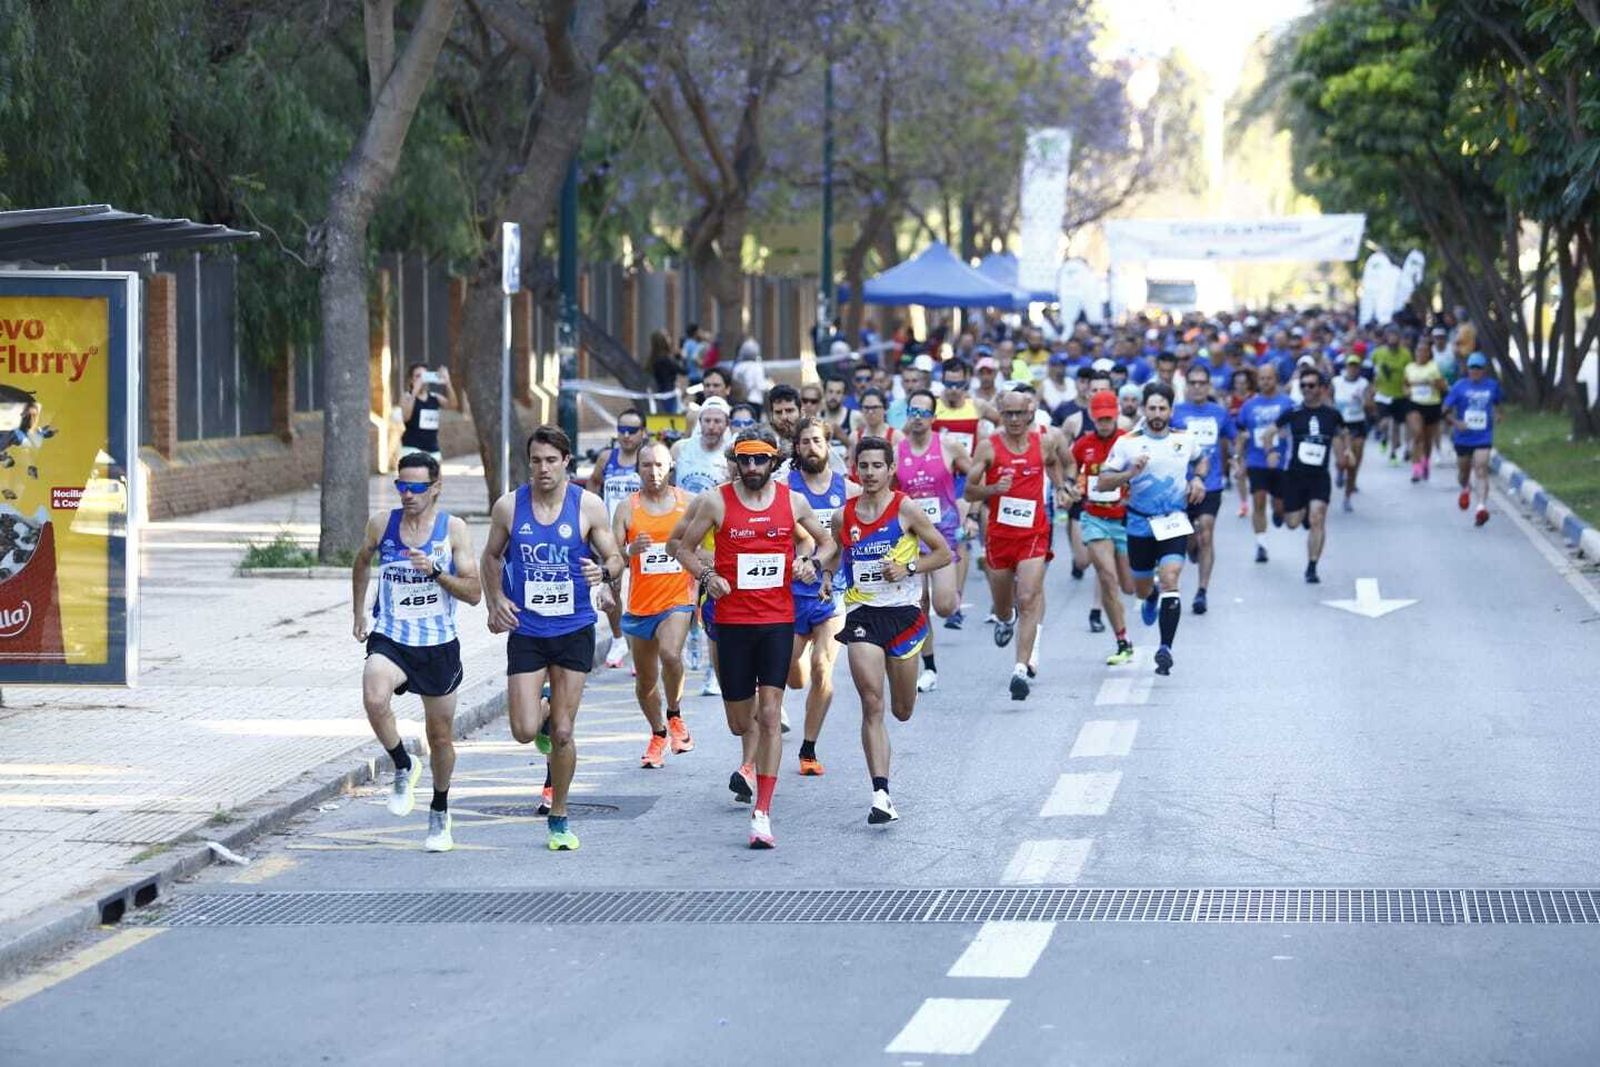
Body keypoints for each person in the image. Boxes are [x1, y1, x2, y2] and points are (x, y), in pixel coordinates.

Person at [672, 426, 834, 849]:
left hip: (778, 621)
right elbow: (683, 548)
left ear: (774, 462)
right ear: (736, 461)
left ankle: (762, 812)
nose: (751, 467)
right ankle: (754, 759)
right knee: (739, 722)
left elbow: (826, 542)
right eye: (744, 459)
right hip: (732, 623)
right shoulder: (715, 501)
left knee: (770, 712)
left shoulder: (792, 502)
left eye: (760, 459)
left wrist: (811, 565)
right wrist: (708, 575)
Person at [481, 426, 624, 852]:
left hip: (574, 627)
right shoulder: (509, 507)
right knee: (525, 730)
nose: (542, 469)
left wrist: (605, 573)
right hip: (527, 628)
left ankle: (559, 815)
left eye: (550, 460)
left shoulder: (588, 506)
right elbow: (490, 556)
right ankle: (540, 711)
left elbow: (615, 556)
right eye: (536, 461)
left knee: (563, 732)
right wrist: (496, 601)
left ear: (566, 463)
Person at [351, 453, 481, 852]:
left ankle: (440, 809)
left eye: (417, 487)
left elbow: (474, 593)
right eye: (401, 486)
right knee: (374, 695)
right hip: (392, 636)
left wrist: (435, 573)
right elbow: (361, 561)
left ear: (436, 487)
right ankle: (403, 764)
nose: (408, 494)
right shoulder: (382, 524)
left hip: (438, 644)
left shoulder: (452, 530)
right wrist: (359, 613)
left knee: (439, 736)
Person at [833, 437, 952, 823]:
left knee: (901, 710)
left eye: (876, 466)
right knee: (872, 702)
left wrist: (910, 568)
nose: (869, 473)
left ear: (890, 470)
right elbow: (836, 555)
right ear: (856, 468)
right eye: (863, 466)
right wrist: (820, 574)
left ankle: (883, 785)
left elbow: (943, 552)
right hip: (862, 615)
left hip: (902, 615)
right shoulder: (844, 515)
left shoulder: (905, 509)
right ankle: (881, 793)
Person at [964, 388, 1076, 700]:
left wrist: (1064, 487)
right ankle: (1004, 618)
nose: (1014, 419)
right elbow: (969, 492)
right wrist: (991, 489)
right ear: (1001, 414)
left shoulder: (1045, 441)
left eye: (1019, 413)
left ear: (1030, 413)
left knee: (1028, 598)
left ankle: (1020, 668)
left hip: (1034, 533)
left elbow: (1064, 463)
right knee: (1005, 605)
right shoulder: (989, 447)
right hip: (1000, 537)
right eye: (1008, 413)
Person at [1096, 383, 1206, 676]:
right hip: (1139, 522)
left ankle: (1165, 648)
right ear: (1144, 409)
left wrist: (1197, 479)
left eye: (1163, 408)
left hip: (1173, 521)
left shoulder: (1185, 439)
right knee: (1141, 588)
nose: (1157, 414)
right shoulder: (1127, 442)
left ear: (1171, 410)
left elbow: (1201, 459)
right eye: (1152, 408)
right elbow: (1102, 482)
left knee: (1172, 578)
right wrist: (1130, 473)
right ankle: (1152, 595)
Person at [612, 440, 696, 769]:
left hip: (677, 598)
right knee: (645, 682)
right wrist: (629, 551)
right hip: (640, 604)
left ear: (670, 467)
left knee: (671, 653)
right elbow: (611, 552)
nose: (654, 471)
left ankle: (674, 714)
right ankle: (658, 733)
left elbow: (703, 543)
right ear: (638, 469)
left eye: (660, 465)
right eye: (647, 465)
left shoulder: (687, 502)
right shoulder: (627, 507)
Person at [786, 417, 857, 776]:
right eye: (804, 442)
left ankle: (808, 749)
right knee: (793, 676)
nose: (811, 447)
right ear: (796, 449)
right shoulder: (786, 488)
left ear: (828, 444)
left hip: (832, 590)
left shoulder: (849, 489)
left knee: (822, 668)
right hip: (789, 593)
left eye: (817, 440)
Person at [894, 388, 971, 692]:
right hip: (911, 537)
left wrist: (969, 506)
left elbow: (976, 475)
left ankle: (954, 592)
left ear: (934, 417)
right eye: (912, 411)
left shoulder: (949, 446)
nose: (917, 417)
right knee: (919, 604)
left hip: (944, 535)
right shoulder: (896, 448)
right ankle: (929, 667)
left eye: (924, 413)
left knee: (944, 605)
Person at [1268, 370, 1350, 584]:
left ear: (1322, 389)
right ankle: (1298, 511)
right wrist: (1272, 452)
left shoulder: (1332, 415)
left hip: (1319, 477)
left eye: (1311, 385)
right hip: (1294, 476)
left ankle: (1312, 566)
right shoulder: (1293, 413)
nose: (1306, 389)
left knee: (1318, 518)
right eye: (1303, 385)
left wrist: (1346, 453)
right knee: (1292, 523)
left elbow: (1343, 434)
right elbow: (1268, 433)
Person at [1072, 392, 1136, 664]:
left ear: (1116, 413)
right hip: (1095, 518)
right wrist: (1070, 487)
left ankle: (1150, 588)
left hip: (1126, 520)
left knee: (1131, 587)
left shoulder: (1129, 441)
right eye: (1100, 418)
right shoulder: (1082, 445)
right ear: (1093, 416)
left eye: (1109, 417)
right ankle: (1122, 641)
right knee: (1107, 578)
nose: (1105, 423)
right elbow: (1068, 470)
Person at [672, 397, 731, 683]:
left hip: (714, 530)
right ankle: (692, 634)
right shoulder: (682, 449)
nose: (711, 426)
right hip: (685, 525)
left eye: (717, 420)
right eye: (706, 420)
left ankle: (712, 664)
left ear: (726, 424)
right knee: (685, 590)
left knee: (709, 588)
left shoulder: (730, 454)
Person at [1171, 366, 1235, 615]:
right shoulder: (1175, 413)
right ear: (1186, 386)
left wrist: (1237, 458)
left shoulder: (1220, 413)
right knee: (1188, 537)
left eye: (1202, 383)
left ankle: (1201, 592)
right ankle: (1192, 546)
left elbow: (1230, 439)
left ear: (1209, 386)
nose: (1197, 387)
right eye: (1193, 383)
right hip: (1180, 485)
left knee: (1206, 533)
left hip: (1211, 483)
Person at [588, 409, 646, 668]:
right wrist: (592, 514)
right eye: (621, 429)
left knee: (641, 591)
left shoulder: (646, 459)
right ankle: (618, 637)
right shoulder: (607, 458)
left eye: (632, 430)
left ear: (642, 433)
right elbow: (593, 483)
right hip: (611, 536)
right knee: (611, 588)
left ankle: (640, 647)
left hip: (641, 534)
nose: (625, 435)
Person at [932, 360, 981, 628]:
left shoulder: (977, 408)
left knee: (960, 537)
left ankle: (956, 600)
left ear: (966, 382)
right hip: (936, 483)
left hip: (963, 482)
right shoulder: (932, 408)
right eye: (948, 384)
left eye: (958, 384)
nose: (953, 390)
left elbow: (996, 428)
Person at [1237, 364, 1294, 563]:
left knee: (1279, 505)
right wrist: (1240, 460)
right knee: (1258, 501)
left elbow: (1296, 426)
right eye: (1262, 378)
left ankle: (1279, 511)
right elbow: (1242, 432)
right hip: (1256, 459)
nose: (1265, 382)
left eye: (1269, 378)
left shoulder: (1287, 403)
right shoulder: (1249, 405)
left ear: (1276, 379)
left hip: (1280, 461)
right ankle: (1261, 544)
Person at [1443, 353, 1501, 525]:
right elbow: (1445, 409)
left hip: (1483, 435)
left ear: (1484, 370)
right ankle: (1465, 488)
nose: (1475, 371)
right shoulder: (1459, 387)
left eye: (1478, 368)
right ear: (1467, 369)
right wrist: (1456, 422)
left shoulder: (1492, 386)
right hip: (1463, 437)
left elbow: (1498, 405)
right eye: (1472, 368)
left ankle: (1481, 508)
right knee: (1463, 473)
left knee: (1481, 468)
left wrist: (1498, 415)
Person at [1331, 354, 1373, 511]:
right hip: (1339, 425)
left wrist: (1364, 399)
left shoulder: (1363, 384)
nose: (1353, 369)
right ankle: (1339, 470)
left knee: (1353, 464)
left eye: (1356, 366)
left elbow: (1370, 406)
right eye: (1350, 365)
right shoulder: (1336, 382)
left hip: (1357, 425)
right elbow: (1328, 399)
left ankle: (1347, 497)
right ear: (1346, 367)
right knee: (1342, 461)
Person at [1404, 336, 1447, 483]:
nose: (1421, 354)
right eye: (1418, 351)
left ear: (1429, 353)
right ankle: (1416, 469)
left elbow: (1443, 387)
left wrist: (1433, 383)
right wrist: (1407, 391)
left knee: (1427, 440)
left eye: (1424, 351)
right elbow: (1405, 385)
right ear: (1415, 353)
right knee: (1417, 435)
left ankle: (1426, 463)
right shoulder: (1409, 368)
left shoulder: (1434, 367)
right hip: (1415, 404)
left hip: (1432, 405)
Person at [1370, 326, 1410, 465]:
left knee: (1397, 425)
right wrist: (1373, 387)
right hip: (1383, 394)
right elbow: (1373, 372)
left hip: (1399, 395)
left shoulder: (1406, 354)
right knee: (1385, 422)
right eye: (1390, 336)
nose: (1393, 339)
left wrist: (1407, 388)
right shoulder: (1377, 353)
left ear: (1399, 338)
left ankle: (1393, 454)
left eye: (1396, 336)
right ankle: (1383, 436)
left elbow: (1409, 373)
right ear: (1386, 337)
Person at [399, 363, 454, 465]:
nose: (422, 379)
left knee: (436, 479)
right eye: (418, 376)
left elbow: (453, 405)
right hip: (412, 446)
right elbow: (406, 417)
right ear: (411, 379)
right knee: (416, 478)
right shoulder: (407, 397)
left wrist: (448, 383)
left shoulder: (434, 397)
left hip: (432, 446)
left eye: (424, 376)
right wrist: (414, 392)